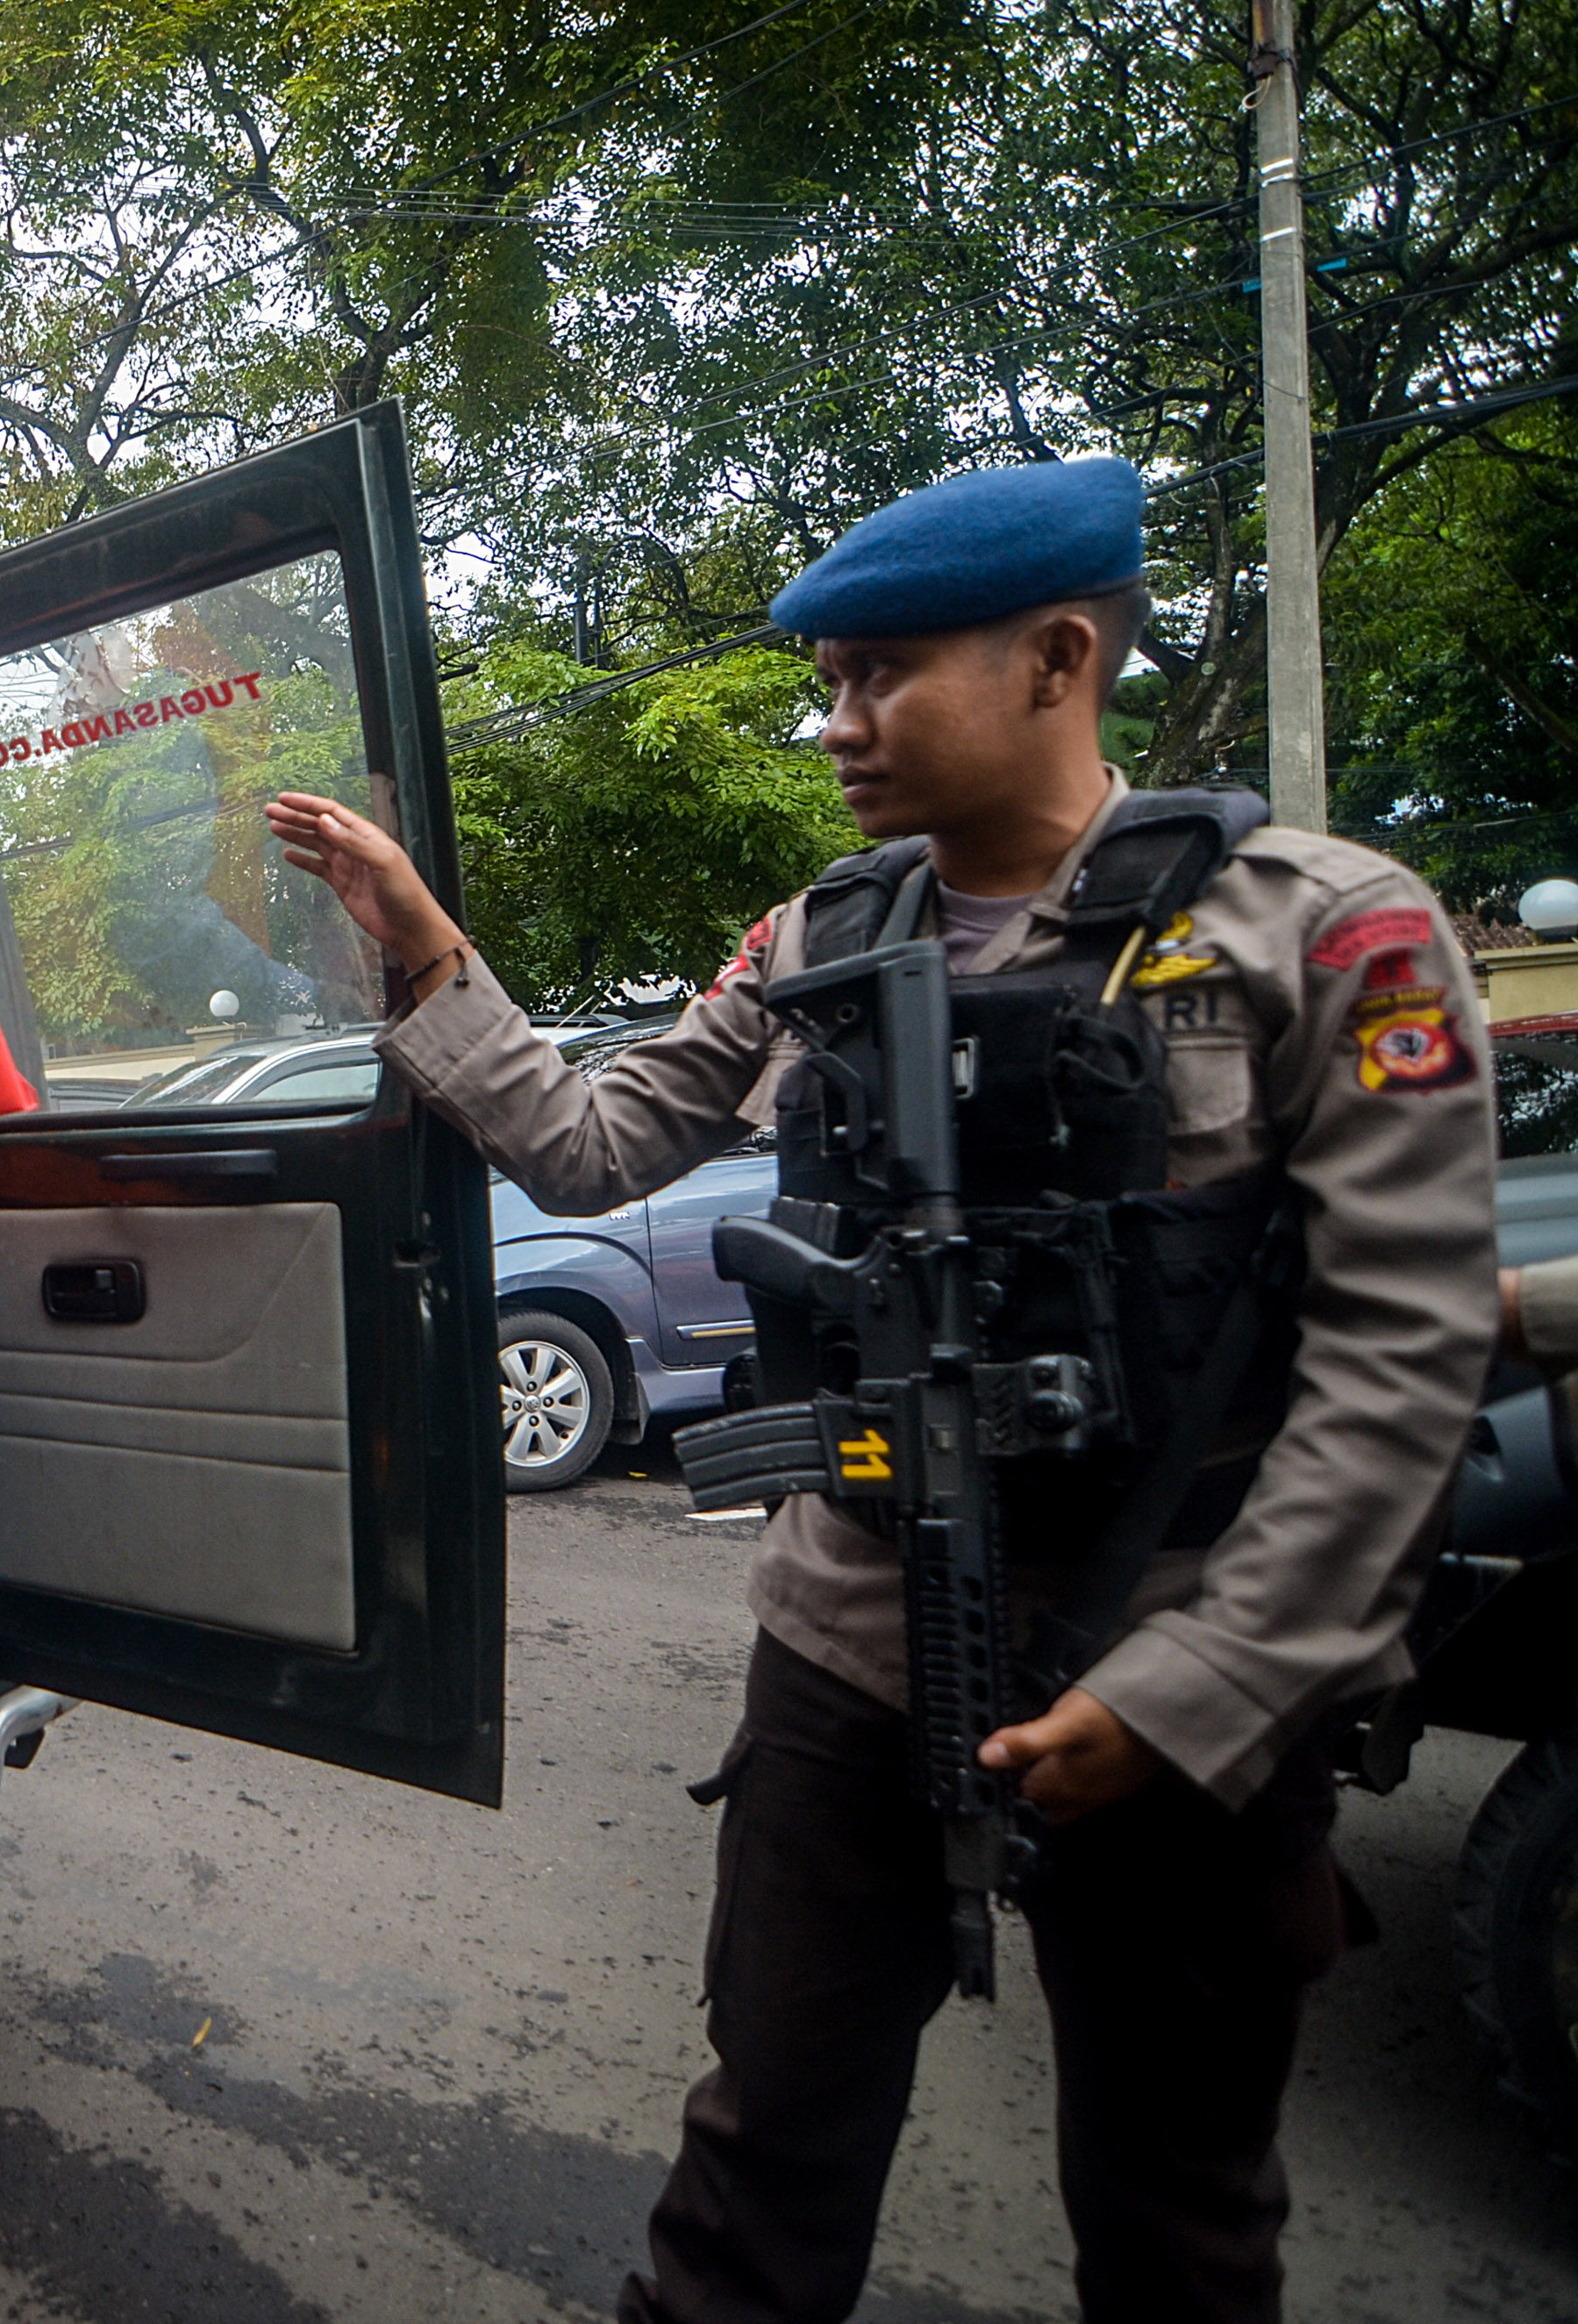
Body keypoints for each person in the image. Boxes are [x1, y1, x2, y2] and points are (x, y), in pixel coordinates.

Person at [266, 457, 1497, 2324]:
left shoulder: (1320, 933)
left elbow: (1399, 1365)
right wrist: (422, 945)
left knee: (1179, 2219)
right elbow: (594, 1149)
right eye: (822, 682)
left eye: (876, 676)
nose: (832, 725)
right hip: (846, 1658)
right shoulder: (815, 937)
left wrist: (1193, 1692)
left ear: (1057, 654)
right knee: (757, 2169)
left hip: (1179, 1682)